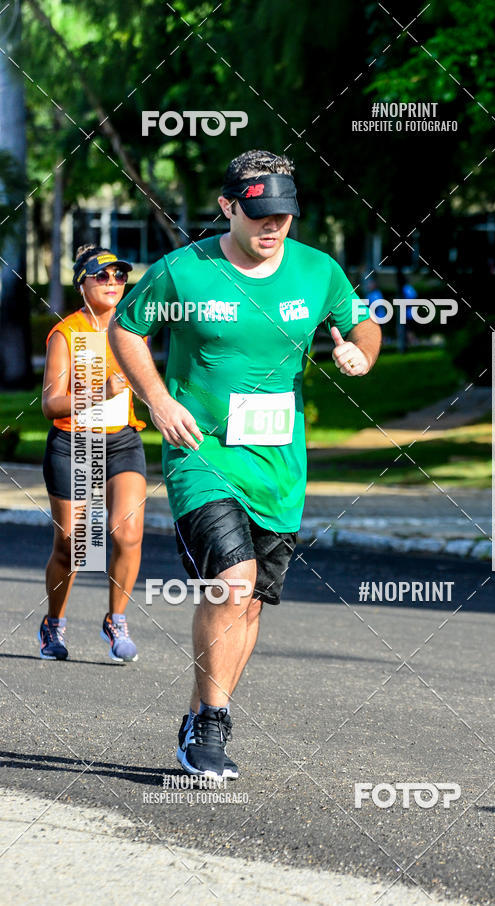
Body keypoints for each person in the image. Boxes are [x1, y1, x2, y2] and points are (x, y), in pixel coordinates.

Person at [109, 150, 382, 780]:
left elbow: (361, 323)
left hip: (278, 465)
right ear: (228, 206)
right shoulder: (184, 272)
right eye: (259, 214)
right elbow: (127, 329)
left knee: (252, 599)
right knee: (230, 583)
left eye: (284, 216)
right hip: (200, 452)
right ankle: (207, 728)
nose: (272, 227)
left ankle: (209, 713)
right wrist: (157, 399)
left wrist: (360, 356)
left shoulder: (318, 271)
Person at [40, 244, 147, 662]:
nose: (112, 282)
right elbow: (51, 404)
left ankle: (115, 620)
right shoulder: (66, 333)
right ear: (82, 284)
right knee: (72, 545)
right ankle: (53, 624)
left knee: (128, 533)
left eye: (118, 275)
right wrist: (100, 392)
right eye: (100, 276)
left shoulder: (131, 330)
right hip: (73, 444)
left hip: (121, 440)